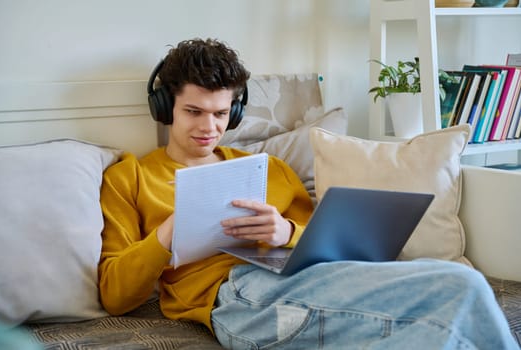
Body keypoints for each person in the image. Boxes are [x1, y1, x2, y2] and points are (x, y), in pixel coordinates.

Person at [98, 38, 519, 349]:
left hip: (307, 278)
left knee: (461, 288)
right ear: (164, 107)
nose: (208, 127)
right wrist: (171, 231)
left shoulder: (269, 171)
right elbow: (115, 295)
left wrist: (284, 232)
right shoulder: (132, 177)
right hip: (239, 298)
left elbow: (320, 242)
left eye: (221, 113)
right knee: (455, 295)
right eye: (193, 112)